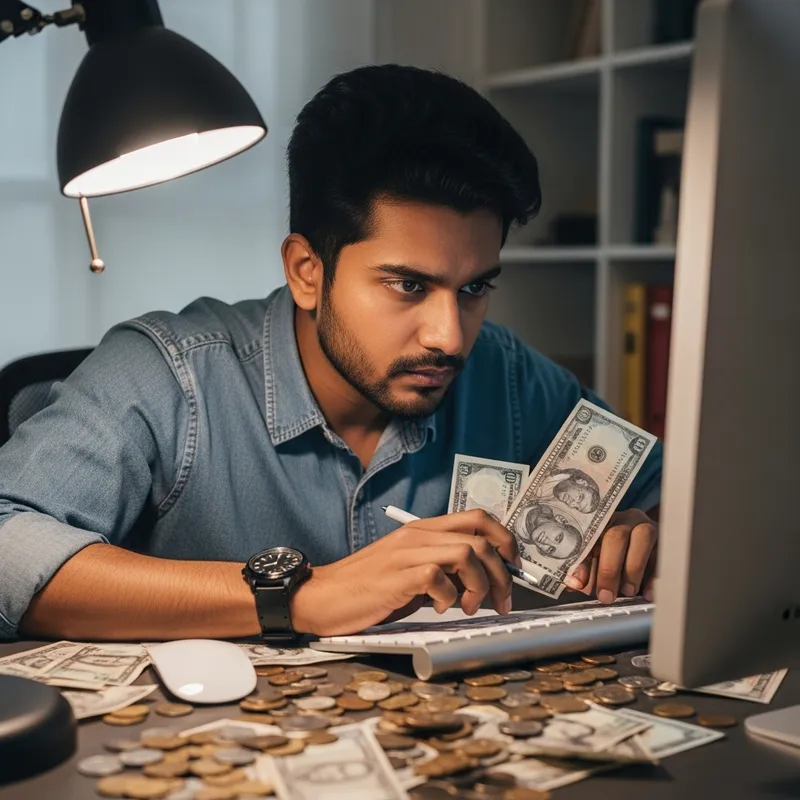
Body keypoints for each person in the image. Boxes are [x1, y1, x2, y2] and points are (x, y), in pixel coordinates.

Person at [0, 65, 661, 643]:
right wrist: (300, 598)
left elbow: (689, 503)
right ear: (306, 270)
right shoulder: (168, 374)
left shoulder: (508, 374)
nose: (450, 337)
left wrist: (641, 531)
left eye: (475, 288)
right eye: (409, 285)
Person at [513, 502, 584, 562]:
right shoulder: (541, 503)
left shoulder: (522, 537)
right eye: (558, 538)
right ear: (560, 520)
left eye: (551, 549)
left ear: (542, 552)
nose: (548, 542)